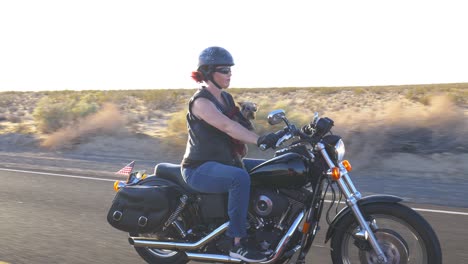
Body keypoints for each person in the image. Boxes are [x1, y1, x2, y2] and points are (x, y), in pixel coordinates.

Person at [180, 46, 280, 263]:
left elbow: (237, 126)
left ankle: (263, 230)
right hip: (199, 168)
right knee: (239, 178)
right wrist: (260, 140)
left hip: (225, 162)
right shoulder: (201, 102)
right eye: (224, 70)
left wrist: (246, 117)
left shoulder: (226, 99)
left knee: (272, 170)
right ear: (207, 73)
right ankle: (237, 242)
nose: (229, 74)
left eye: (230, 69)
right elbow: (226, 126)